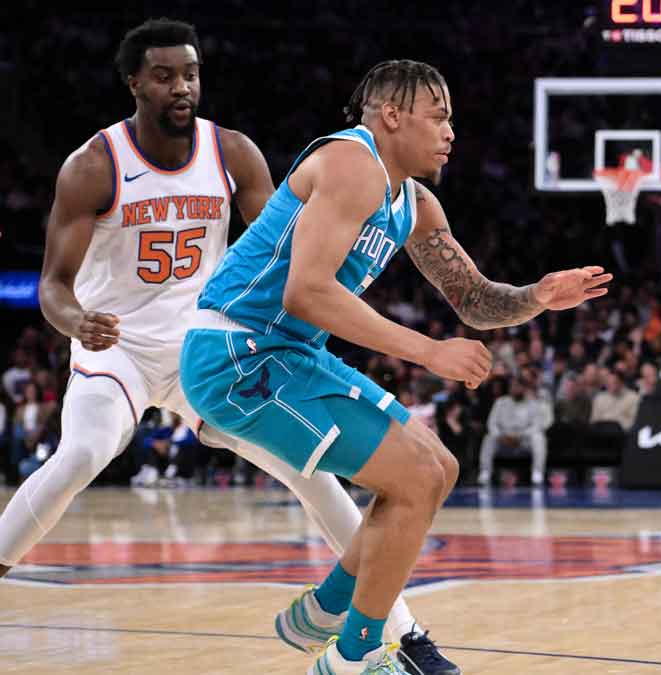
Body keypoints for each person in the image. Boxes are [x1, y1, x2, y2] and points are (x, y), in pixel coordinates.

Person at [0, 20, 460, 673]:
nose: (182, 86)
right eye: (164, 75)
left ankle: (400, 631)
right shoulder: (94, 164)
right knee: (79, 456)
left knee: (315, 474)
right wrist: (75, 321)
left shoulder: (233, 152)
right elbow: (51, 285)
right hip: (119, 347)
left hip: (207, 348)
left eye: (190, 73)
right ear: (134, 82)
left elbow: (282, 249)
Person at [179, 59, 609, 674]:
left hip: (288, 353)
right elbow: (307, 292)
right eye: (439, 116)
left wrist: (538, 295)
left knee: (438, 469)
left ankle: (323, 612)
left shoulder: (414, 202)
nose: (451, 131)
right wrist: (431, 352)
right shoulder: (352, 163)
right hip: (237, 352)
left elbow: (475, 299)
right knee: (410, 478)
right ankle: (353, 659)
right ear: (392, 115)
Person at [476, 377, 552, 486]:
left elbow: (536, 426)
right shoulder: (500, 402)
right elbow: (491, 424)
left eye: (519, 386)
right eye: (513, 386)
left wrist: (520, 436)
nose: (515, 389)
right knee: (489, 438)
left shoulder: (533, 404)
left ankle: (537, 474)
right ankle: (485, 473)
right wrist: (500, 436)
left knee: (539, 438)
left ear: (524, 388)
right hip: (503, 441)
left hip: (523, 441)